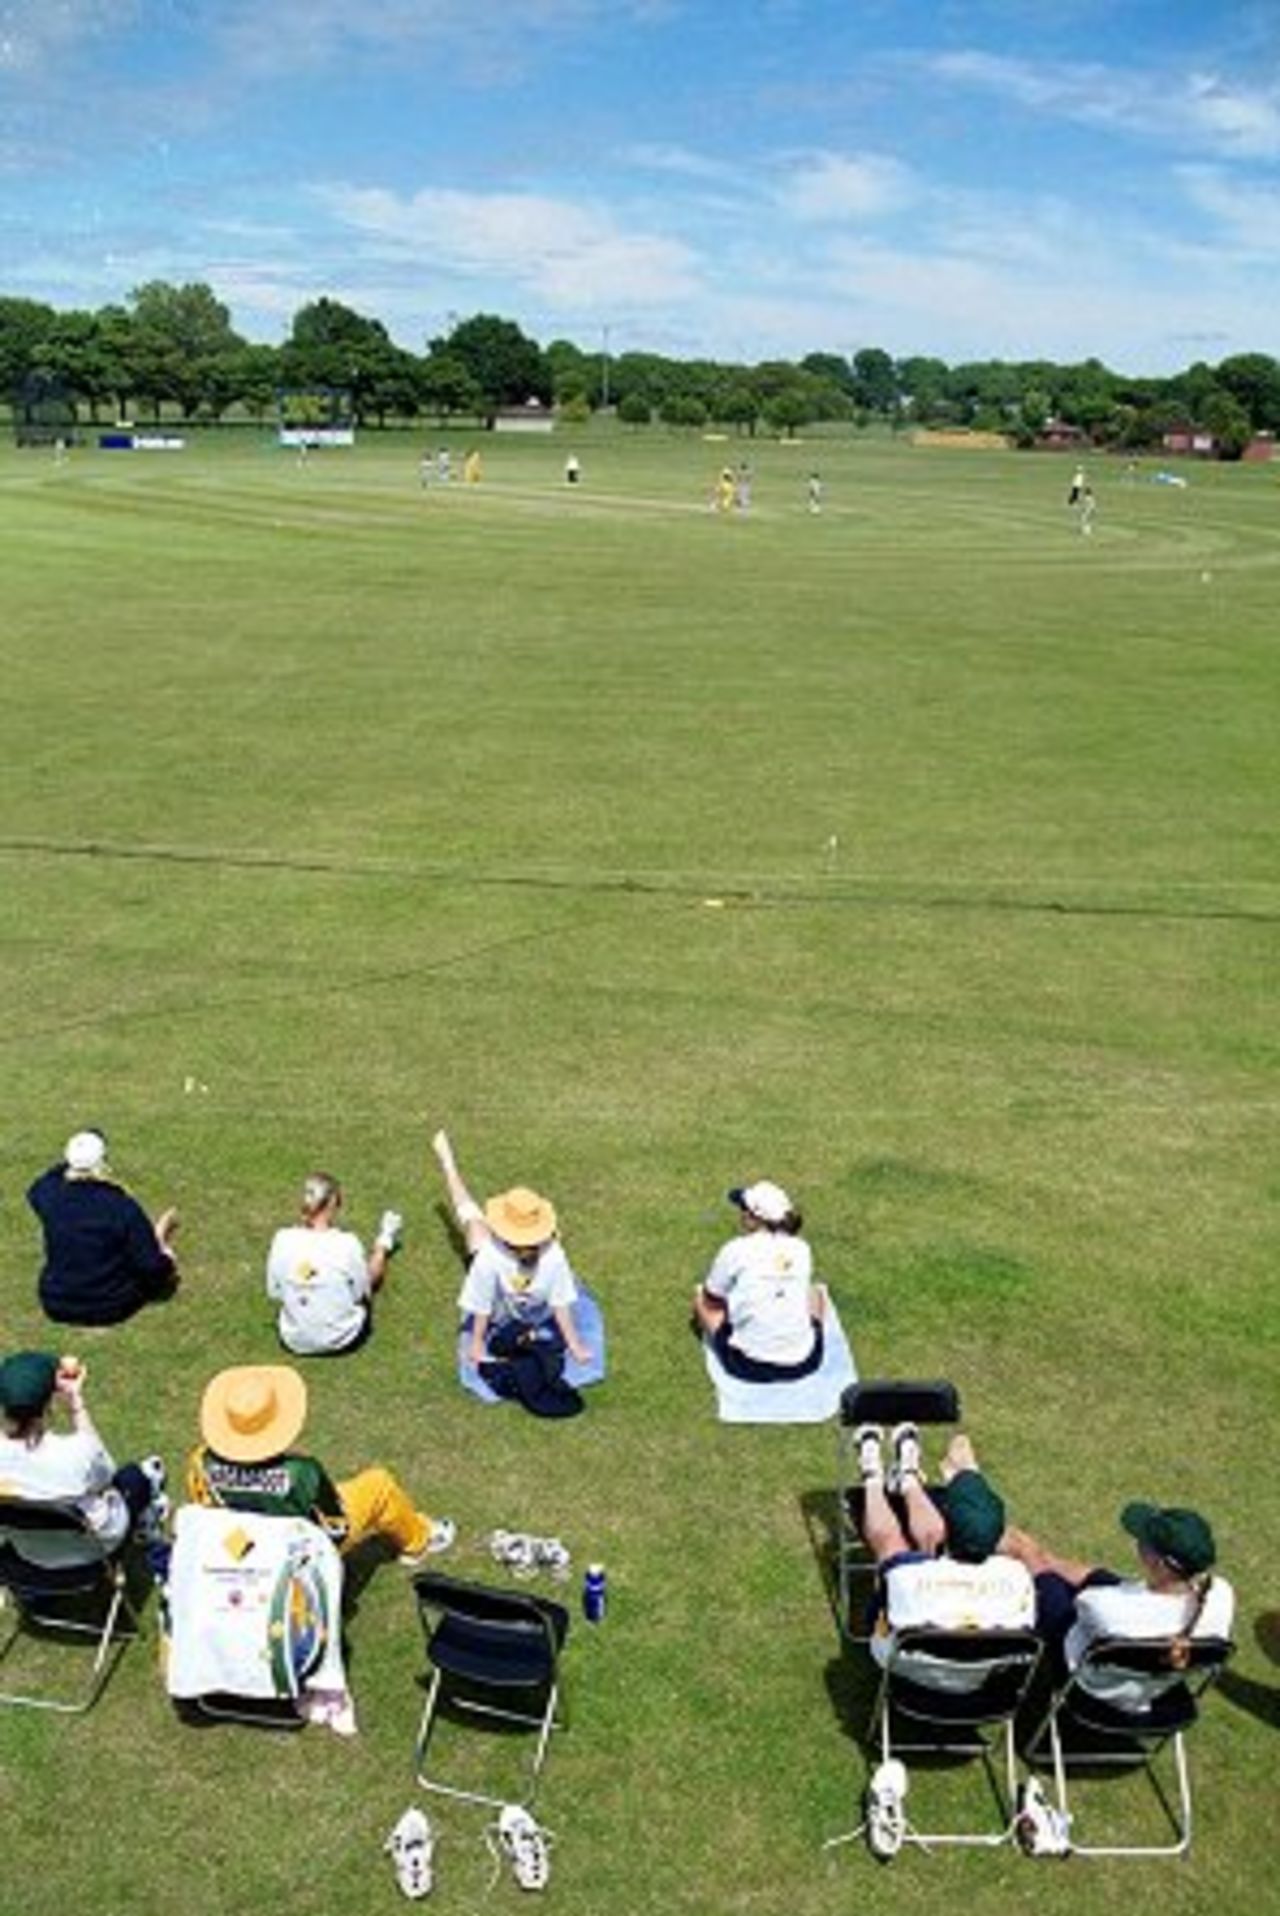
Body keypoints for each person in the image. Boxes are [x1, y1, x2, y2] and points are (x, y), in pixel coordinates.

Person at [186, 1364, 454, 1563]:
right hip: (297, 1554)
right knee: (379, 1485)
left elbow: (206, 1511)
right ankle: (419, 1541)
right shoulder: (302, 1472)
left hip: (240, 1549)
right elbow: (337, 1525)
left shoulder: (200, 1461)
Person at [1002, 1501, 1235, 1700]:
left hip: (1091, 1684)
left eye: (1143, 1543)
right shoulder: (1221, 1595)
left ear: (1159, 1563)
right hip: (1155, 1688)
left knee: (1038, 1571)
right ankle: (1045, 1558)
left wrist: (1033, 1559)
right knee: (1069, 1569)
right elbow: (1113, 1587)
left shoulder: (1104, 1607)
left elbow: (1086, 1604)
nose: (1138, 1544)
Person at [855, 1424, 1035, 1663]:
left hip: (908, 1675)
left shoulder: (907, 1576)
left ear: (946, 1526)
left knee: (891, 1546)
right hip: (986, 1687)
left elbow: (877, 1609)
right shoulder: (1017, 1575)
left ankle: (873, 1477)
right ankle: (907, 1478)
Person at [432, 1130, 591, 1369]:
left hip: (534, 1312)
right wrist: (476, 1344)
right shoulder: (489, 1255)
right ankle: (449, 1164)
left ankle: (450, 1166)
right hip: (501, 1308)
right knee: (473, 1223)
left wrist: (575, 1344)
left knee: (476, 1226)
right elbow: (481, 1302)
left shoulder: (554, 1255)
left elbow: (560, 1303)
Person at [0, 1350, 167, 1567]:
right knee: (138, 1475)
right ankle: (145, 1524)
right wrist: (75, 1401)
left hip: (31, 1555)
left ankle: (36, 1596)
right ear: (49, 1401)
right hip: (92, 1554)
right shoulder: (76, 1454)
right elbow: (107, 1475)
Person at [28, 1128, 179, 1326]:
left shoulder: (49, 1196)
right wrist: (167, 1261)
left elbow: (41, 1184)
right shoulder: (121, 1205)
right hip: (109, 1307)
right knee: (159, 1259)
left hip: (55, 1303)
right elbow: (149, 1267)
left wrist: (73, 1160)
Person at [693, 1181, 826, 1382]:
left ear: (752, 1216)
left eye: (743, 1209)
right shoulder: (802, 1248)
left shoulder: (735, 1249)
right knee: (815, 1293)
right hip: (805, 1363)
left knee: (700, 1301)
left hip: (747, 1365)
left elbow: (711, 1300)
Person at [266, 1172, 401, 1357]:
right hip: (343, 1339)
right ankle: (385, 1238)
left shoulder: (281, 1239)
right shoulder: (347, 1243)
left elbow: (276, 1292)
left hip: (293, 1340)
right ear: (332, 1203)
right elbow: (363, 1291)